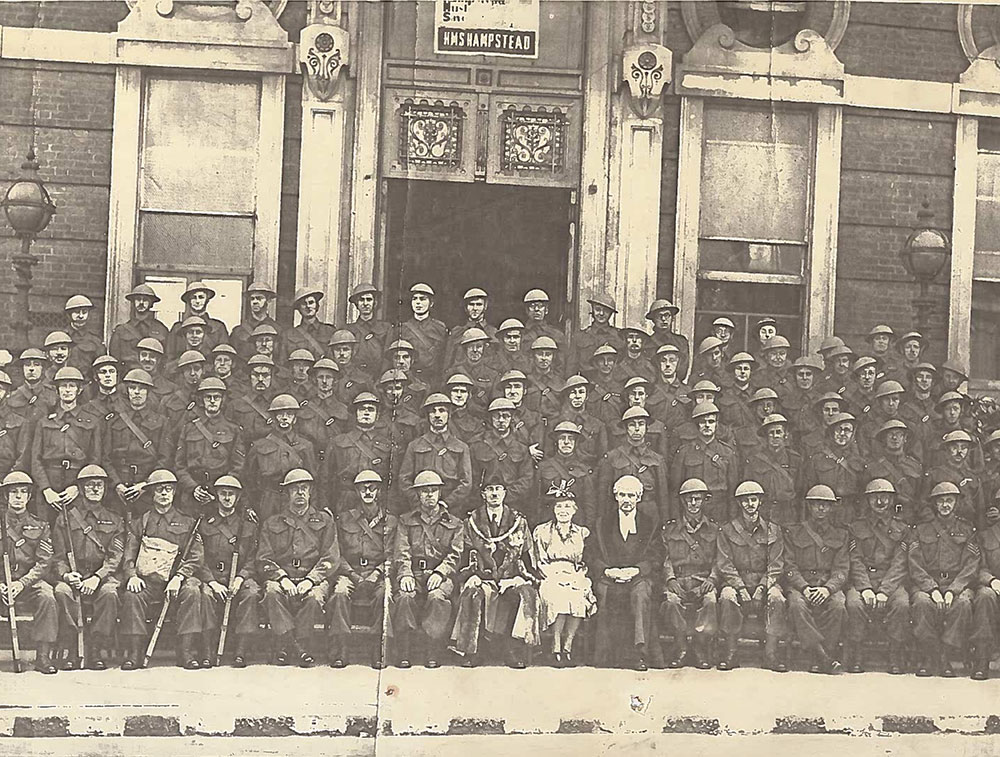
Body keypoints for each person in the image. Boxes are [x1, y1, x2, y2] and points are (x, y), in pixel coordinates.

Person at [450, 474, 541, 668]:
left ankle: (511, 649)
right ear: (483, 494)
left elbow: (526, 555)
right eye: (490, 490)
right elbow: (466, 552)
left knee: (523, 595)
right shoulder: (472, 521)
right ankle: (474, 650)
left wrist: (518, 578)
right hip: (483, 576)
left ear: (505, 493)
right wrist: (472, 575)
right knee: (473, 594)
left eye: (498, 489)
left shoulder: (518, 521)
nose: (494, 494)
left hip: (510, 576)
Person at [118, 469, 203, 670]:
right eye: (159, 490)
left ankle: (186, 651)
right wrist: (131, 575)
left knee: (192, 591)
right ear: (152, 494)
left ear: (174, 493)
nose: (164, 494)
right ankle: (135, 652)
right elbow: (129, 553)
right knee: (132, 594)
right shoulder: (141, 522)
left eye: (169, 490)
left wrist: (180, 577)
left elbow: (196, 557)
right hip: (148, 581)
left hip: (176, 580)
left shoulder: (188, 521)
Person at [258, 468, 343, 667]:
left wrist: (310, 580)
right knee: (271, 593)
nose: (300, 493)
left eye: (304, 488)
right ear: (287, 493)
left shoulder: (325, 520)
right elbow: (263, 558)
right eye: (294, 489)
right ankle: (296, 648)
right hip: (283, 577)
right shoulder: (272, 523)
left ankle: (293, 645)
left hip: (312, 577)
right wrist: (281, 578)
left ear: (311, 491)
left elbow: (331, 556)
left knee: (314, 598)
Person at [52, 465, 124, 670]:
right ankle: (73, 647)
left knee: (110, 593)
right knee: (61, 591)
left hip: (101, 576)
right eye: (90, 485)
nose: (94, 489)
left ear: (104, 489)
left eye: (99, 485)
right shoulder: (65, 518)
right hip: (75, 573)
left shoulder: (115, 519)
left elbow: (115, 557)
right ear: (81, 488)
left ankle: (95, 648)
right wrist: (66, 575)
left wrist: (97, 578)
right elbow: (58, 555)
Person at [587, 474, 662, 671]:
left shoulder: (650, 523)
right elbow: (592, 554)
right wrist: (607, 571)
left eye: (631, 495)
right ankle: (604, 653)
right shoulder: (602, 523)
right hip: (610, 576)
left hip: (638, 576)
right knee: (602, 592)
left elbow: (656, 556)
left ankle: (639, 653)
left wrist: (637, 570)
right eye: (622, 495)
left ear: (639, 497)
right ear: (615, 496)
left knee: (641, 594)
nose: (627, 500)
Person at [392, 470, 464, 668]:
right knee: (405, 596)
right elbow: (402, 552)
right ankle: (404, 649)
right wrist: (405, 574)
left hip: (441, 574)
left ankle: (432, 649)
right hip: (414, 572)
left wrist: (440, 572)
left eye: (433, 491)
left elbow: (456, 554)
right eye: (425, 491)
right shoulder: (406, 521)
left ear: (440, 493)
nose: (429, 495)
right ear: (418, 494)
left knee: (437, 597)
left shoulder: (455, 523)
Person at [327, 470, 397, 669]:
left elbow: (393, 554)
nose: (367, 491)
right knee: (339, 593)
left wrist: (377, 573)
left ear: (379, 491)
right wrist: (352, 574)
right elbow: (336, 553)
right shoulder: (344, 519)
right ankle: (340, 650)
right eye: (363, 488)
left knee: (385, 594)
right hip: (350, 572)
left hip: (378, 572)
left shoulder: (390, 521)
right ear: (357, 491)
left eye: (372, 487)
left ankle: (378, 649)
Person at [908, 481, 979, 677]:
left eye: (950, 501)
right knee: (922, 603)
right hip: (927, 584)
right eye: (941, 501)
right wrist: (932, 590)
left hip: (957, 583)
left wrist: (952, 591)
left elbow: (971, 565)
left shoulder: (967, 529)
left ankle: (946, 655)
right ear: (935, 505)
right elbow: (915, 565)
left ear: (956, 503)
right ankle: (931, 655)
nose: (946, 505)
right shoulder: (920, 530)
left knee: (963, 604)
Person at [716, 480, 787, 672]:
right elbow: (724, 564)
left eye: (753, 500)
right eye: (745, 501)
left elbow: (776, 564)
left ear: (760, 502)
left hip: (764, 581)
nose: (750, 504)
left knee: (777, 598)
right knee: (727, 597)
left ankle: (770, 653)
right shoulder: (727, 530)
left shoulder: (774, 530)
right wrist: (740, 588)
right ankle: (731, 651)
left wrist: (762, 587)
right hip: (737, 580)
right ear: (739, 504)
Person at [844, 478, 911, 675]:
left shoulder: (902, 529)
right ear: (867, 500)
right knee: (854, 603)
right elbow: (854, 561)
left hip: (890, 581)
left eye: (885, 497)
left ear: (892, 501)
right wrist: (865, 588)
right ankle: (857, 652)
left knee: (902, 604)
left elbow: (900, 564)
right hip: (863, 580)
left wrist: (884, 591)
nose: (880, 502)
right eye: (875, 498)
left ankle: (895, 652)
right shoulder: (856, 528)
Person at [783, 484, 849, 674]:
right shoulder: (794, 532)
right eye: (816, 504)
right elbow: (789, 565)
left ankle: (820, 654)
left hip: (827, 585)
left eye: (826, 505)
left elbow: (842, 568)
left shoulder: (841, 534)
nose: (821, 509)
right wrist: (803, 587)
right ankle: (822, 656)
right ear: (809, 506)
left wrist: (828, 589)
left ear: (831, 508)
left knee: (838, 605)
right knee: (796, 605)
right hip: (801, 585)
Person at [196, 475, 260, 668]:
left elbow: (253, 557)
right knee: (205, 595)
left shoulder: (248, 526)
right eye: (223, 494)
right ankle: (207, 651)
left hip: (238, 576)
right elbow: (198, 557)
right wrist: (212, 582)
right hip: (212, 577)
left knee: (252, 593)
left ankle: (241, 651)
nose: (227, 498)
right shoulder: (204, 524)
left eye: (231, 494)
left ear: (238, 498)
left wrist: (241, 578)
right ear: (216, 496)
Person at [0, 471, 59, 673]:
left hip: (29, 582)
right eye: (13, 492)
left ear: (29, 496)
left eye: (23, 492)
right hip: (1, 583)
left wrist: (21, 583)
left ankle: (43, 656)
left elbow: (44, 562)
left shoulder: (40, 525)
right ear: (6, 496)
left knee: (48, 597)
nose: (18, 496)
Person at [533, 482, 596, 667]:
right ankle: (556, 646)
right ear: (553, 509)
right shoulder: (542, 531)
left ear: (575, 510)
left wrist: (577, 574)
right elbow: (539, 559)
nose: (563, 510)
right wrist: (552, 574)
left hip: (574, 572)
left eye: (567, 506)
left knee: (578, 596)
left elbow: (584, 560)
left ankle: (568, 646)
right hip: (549, 573)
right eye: (559, 506)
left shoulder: (581, 533)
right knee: (558, 597)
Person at [661, 478, 719, 670]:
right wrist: (670, 578)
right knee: (671, 602)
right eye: (689, 499)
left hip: (703, 579)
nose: (693, 504)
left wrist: (712, 579)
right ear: (682, 501)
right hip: (678, 579)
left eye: (698, 499)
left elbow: (721, 559)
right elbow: (665, 556)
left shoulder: (714, 529)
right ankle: (681, 646)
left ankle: (699, 647)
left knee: (710, 601)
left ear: (704, 501)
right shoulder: (670, 529)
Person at [31, 367, 102, 522]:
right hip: (49, 484)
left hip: (76, 485)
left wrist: (78, 486)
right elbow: (35, 460)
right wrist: (46, 489)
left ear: (79, 390)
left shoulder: (92, 421)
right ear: (57, 390)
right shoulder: (44, 422)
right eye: (63, 386)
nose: (67, 390)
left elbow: (95, 459)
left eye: (72, 386)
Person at [174, 377, 246, 516]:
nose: (212, 401)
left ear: (222, 400)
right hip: (191, 493)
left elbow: (238, 465)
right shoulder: (189, 428)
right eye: (208, 397)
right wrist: (193, 488)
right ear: (201, 400)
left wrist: (221, 490)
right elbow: (179, 465)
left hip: (220, 496)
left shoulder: (233, 429)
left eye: (216, 397)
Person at [242, 394, 317, 522]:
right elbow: (247, 479)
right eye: (280, 414)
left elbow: (313, 479)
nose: (284, 418)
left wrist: (313, 507)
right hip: (269, 500)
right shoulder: (259, 446)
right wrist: (248, 506)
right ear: (274, 417)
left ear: (294, 419)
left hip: (296, 499)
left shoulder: (305, 446)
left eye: (289, 414)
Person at [398, 393, 473, 513]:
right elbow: (404, 479)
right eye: (433, 411)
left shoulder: (461, 447)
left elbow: (466, 483)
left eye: (442, 411)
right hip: (420, 508)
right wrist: (419, 502)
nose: (437, 415)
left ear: (449, 415)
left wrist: (447, 503)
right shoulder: (414, 446)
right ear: (428, 416)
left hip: (451, 510)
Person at [669, 401, 738, 523]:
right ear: (697, 425)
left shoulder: (727, 453)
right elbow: (675, 490)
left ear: (716, 424)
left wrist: (732, 520)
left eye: (711, 422)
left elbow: (732, 491)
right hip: (691, 511)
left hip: (719, 512)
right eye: (702, 422)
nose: (707, 425)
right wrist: (676, 519)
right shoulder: (684, 452)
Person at [598, 406, 670, 520]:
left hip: (649, 515)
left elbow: (663, 498)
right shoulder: (612, 457)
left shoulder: (657, 460)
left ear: (646, 428)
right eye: (632, 424)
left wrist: (665, 523)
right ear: (626, 428)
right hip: (620, 513)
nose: (637, 428)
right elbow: (603, 497)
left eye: (641, 424)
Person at [469, 398, 534, 519]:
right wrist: (486, 497)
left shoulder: (521, 447)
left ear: (512, 419)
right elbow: (472, 476)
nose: (501, 420)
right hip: (483, 505)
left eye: (506, 416)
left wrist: (504, 496)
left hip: (513, 505)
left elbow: (527, 479)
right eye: (496, 416)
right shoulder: (477, 445)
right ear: (490, 419)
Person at [537, 421, 598, 528]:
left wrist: (587, 528)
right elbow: (536, 499)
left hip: (576, 523)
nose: (566, 442)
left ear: (575, 443)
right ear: (556, 442)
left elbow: (589, 503)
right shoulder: (543, 467)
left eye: (571, 439)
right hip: (548, 521)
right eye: (562, 438)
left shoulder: (584, 468)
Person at [745, 414, 800, 525]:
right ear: (766, 436)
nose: (775, 436)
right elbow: (748, 490)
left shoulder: (795, 459)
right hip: (763, 512)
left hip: (788, 513)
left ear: (785, 435)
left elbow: (801, 490)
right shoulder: (754, 460)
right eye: (771, 433)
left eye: (779, 432)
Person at [392, 283, 448, 387]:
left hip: (433, 380)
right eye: (414, 299)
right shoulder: (402, 328)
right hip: (408, 379)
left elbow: (445, 357)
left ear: (431, 303)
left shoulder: (440, 328)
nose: (418, 302)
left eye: (423, 299)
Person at [970, 495, 1000, 680]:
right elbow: (978, 566)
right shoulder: (985, 535)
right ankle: (981, 659)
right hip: (993, 584)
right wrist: (992, 581)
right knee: (984, 596)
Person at [108, 284, 169, 369]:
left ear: (151, 303)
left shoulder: (161, 329)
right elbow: (115, 360)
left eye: (145, 300)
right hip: (128, 375)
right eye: (138, 299)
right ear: (133, 302)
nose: (141, 303)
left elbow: (166, 359)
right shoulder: (121, 331)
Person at [444, 287, 497, 368]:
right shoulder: (457, 332)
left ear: (485, 307)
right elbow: (448, 362)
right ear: (466, 307)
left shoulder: (493, 332)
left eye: (479, 304)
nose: (475, 308)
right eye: (471, 304)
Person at [345, 283, 391, 376]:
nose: (365, 303)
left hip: (378, 376)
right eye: (361, 300)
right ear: (356, 304)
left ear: (374, 302)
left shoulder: (386, 328)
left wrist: (381, 378)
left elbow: (388, 356)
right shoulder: (348, 329)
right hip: (354, 377)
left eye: (369, 299)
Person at [280, 288, 335, 364]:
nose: (308, 306)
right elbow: (283, 362)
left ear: (317, 306)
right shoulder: (288, 334)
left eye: (311, 302)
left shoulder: (329, 331)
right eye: (303, 304)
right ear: (299, 308)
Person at [231, 284, 279, 363]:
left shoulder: (277, 329)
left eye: (259, 298)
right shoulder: (238, 331)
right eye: (252, 299)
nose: (255, 302)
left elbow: (280, 358)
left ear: (268, 300)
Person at [645, 299, 689, 380]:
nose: (664, 319)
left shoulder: (681, 341)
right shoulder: (647, 342)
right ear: (653, 320)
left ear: (672, 318)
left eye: (667, 315)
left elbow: (683, 370)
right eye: (659, 316)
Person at [63, 294, 105, 375]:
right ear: (69, 314)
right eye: (77, 312)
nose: (81, 316)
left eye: (84, 312)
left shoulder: (95, 339)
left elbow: (100, 365)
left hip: (86, 383)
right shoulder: (61, 336)